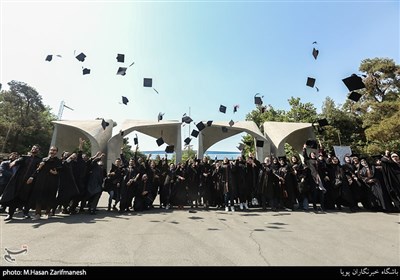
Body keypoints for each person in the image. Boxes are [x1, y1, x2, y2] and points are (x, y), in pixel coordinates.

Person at [1, 145, 42, 221]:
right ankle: (10, 214)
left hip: (29, 182)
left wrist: (32, 177)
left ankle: (25, 213)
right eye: (33, 148)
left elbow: (38, 170)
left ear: (38, 151)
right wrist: (14, 162)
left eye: (36, 148)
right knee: (14, 197)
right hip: (18, 181)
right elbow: (19, 160)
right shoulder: (25, 157)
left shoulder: (39, 160)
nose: (34, 149)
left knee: (26, 198)